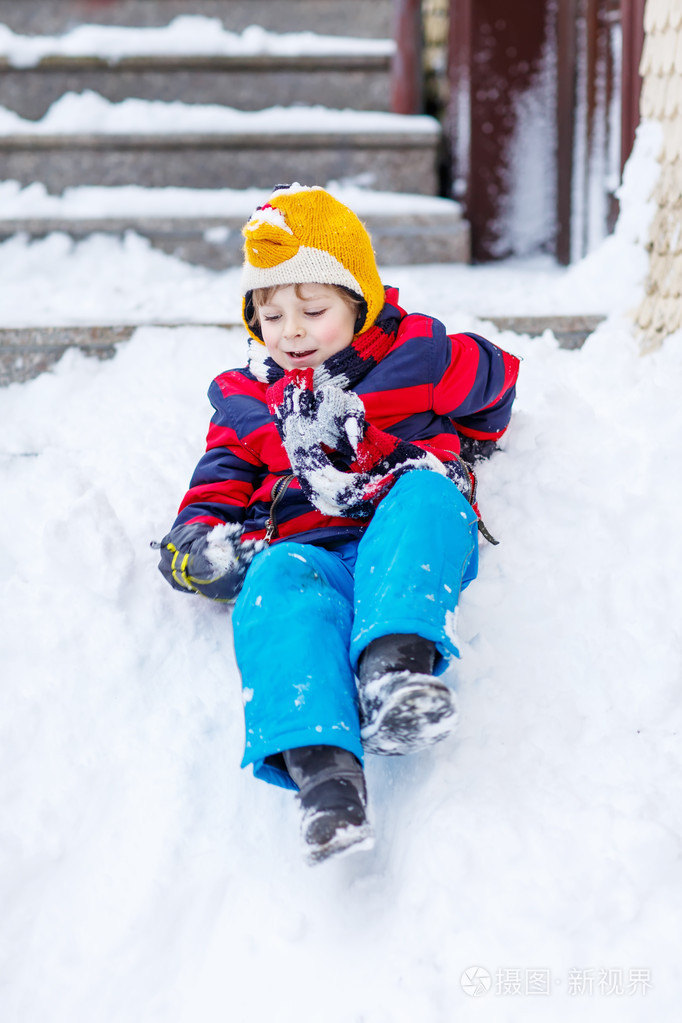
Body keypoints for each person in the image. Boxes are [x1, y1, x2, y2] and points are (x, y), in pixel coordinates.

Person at [155, 184, 520, 865]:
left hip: (395, 520)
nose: (291, 330)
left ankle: (392, 673)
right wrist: (195, 546)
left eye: (313, 309)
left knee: (428, 498)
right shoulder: (247, 401)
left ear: (360, 299)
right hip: (305, 546)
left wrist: (473, 413)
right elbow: (214, 484)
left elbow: (496, 386)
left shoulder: (417, 355)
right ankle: (325, 778)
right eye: (269, 313)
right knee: (273, 590)